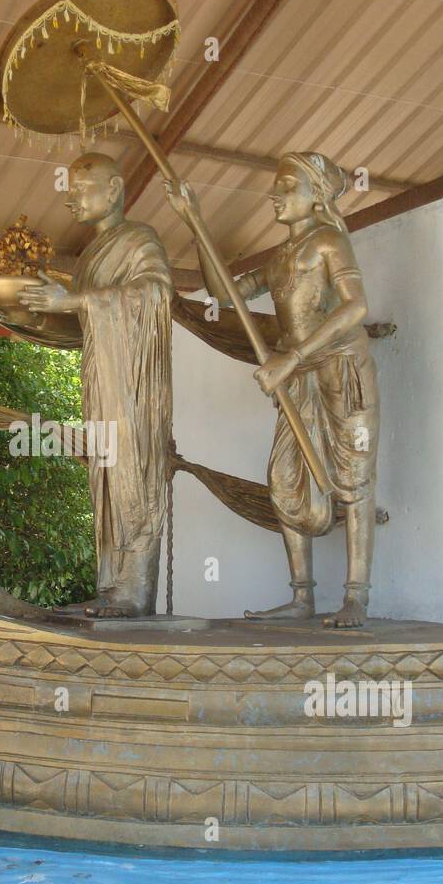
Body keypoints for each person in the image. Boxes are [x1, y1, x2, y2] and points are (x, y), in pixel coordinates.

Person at [165, 152, 379, 627]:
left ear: (316, 195)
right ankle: (302, 596)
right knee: (286, 478)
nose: (275, 196)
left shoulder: (328, 243)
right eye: (277, 187)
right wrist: (195, 222)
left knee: (353, 478)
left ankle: (356, 597)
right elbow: (226, 296)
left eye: (287, 187)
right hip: (296, 377)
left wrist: (293, 358)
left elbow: (355, 306)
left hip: (341, 371)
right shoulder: (282, 256)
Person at [18, 153, 173, 618]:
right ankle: (114, 587)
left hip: (132, 384)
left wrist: (76, 299)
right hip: (100, 380)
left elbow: (156, 294)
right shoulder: (88, 257)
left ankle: (135, 592)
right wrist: (43, 310)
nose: (70, 198)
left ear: (114, 189)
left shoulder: (141, 240)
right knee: (104, 475)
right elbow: (83, 326)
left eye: (82, 187)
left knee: (133, 471)